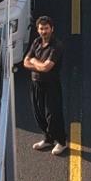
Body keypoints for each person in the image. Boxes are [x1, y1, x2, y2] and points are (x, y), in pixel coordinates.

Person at [21, 14, 63, 153]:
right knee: (38, 113)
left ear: (52, 29)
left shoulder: (56, 46)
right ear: (38, 30)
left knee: (53, 114)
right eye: (41, 29)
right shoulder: (36, 42)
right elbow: (25, 62)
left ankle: (61, 141)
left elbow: (46, 68)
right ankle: (48, 139)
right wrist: (35, 63)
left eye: (46, 28)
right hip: (36, 83)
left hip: (51, 84)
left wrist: (34, 61)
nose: (44, 31)